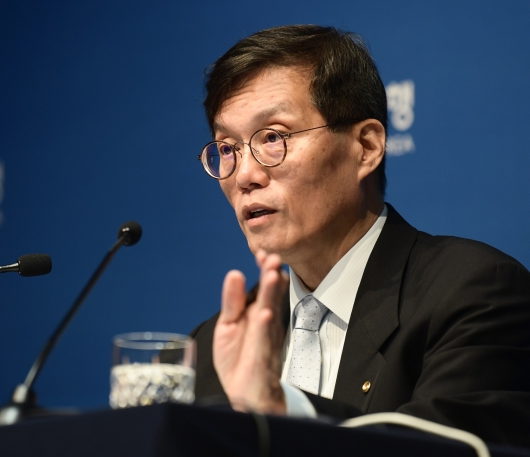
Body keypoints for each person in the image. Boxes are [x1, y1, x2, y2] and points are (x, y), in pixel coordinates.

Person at [191, 24, 530, 447]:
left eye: (273, 137)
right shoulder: (211, 348)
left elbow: (453, 448)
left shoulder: (474, 294)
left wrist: (283, 410)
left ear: (366, 147)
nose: (244, 175)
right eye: (227, 148)